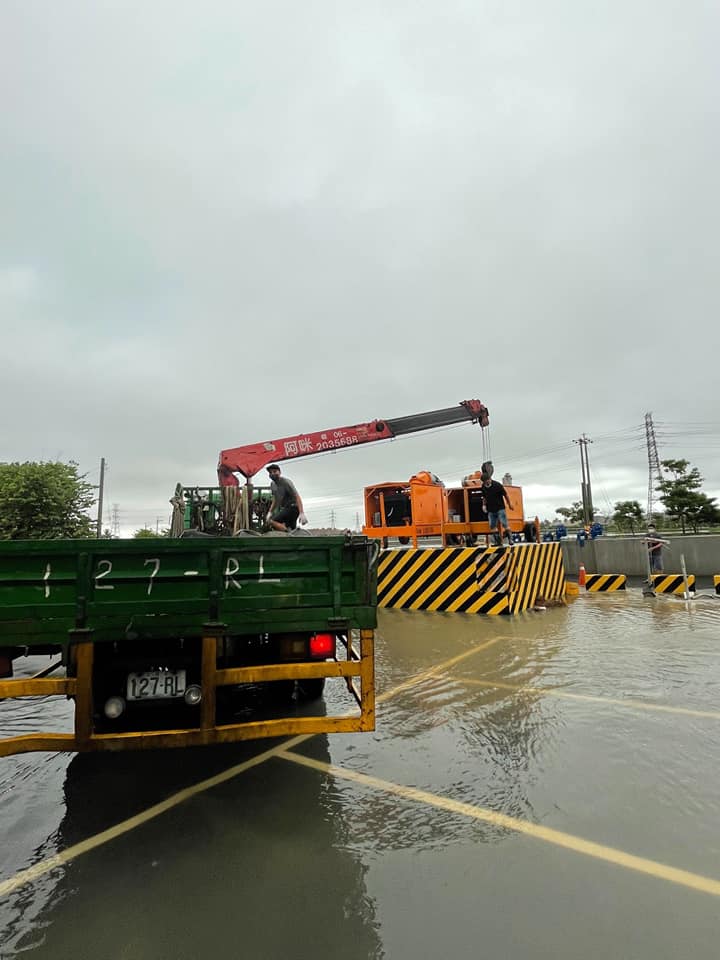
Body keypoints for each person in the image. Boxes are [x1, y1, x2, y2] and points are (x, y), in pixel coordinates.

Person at [266, 464, 307, 532]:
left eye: (275, 471)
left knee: (272, 521)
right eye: (270, 472)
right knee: (291, 528)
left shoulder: (286, 482)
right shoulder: (272, 484)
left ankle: (287, 533)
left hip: (293, 508)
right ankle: (292, 534)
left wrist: (301, 513)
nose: (272, 473)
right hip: (286, 508)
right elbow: (275, 500)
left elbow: (297, 496)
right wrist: (270, 512)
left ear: (280, 472)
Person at [481, 474, 513, 546]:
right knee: (492, 526)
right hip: (491, 510)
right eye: (486, 481)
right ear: (484, 481)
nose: (488, 482)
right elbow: (484, 497)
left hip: (500, 508)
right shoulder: (483, 486)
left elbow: (505, 495)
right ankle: (498, 542)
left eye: (489, 480)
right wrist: (484, 505)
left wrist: (509, 503)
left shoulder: (497, 485)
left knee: (504, 523)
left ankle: (510, 539)